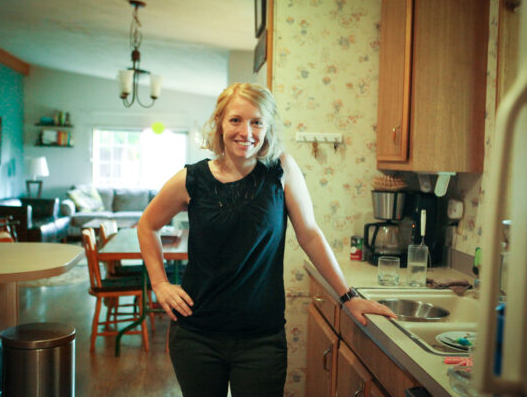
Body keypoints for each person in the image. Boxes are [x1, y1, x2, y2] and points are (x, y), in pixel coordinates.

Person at [137, 82, 396, 397]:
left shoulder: (281, 171)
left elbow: (310, 234)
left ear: (268, 127)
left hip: (261, 338)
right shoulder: (191, 179)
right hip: (196, 334)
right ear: (219, 123)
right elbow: (147, 225)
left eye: (257, 122)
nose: (246, 131)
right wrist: (161, 284)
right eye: (236, 120)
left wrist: (347, 296)